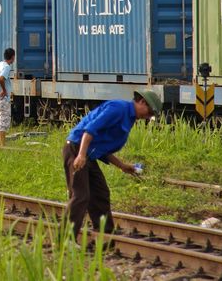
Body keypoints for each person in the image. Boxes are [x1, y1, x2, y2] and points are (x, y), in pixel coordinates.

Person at [62, 90, 162, 240]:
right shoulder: (118, 108)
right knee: (81, 195)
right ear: (141, 101)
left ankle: (105, 238)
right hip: (76, 149)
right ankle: (65, 240)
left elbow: (102, 147)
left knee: (101, 193)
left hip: (88, 154)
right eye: (149, 112)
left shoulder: (129, 119)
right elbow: (90, 130)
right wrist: (81, 155)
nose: (148, 117)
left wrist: (121, 165)